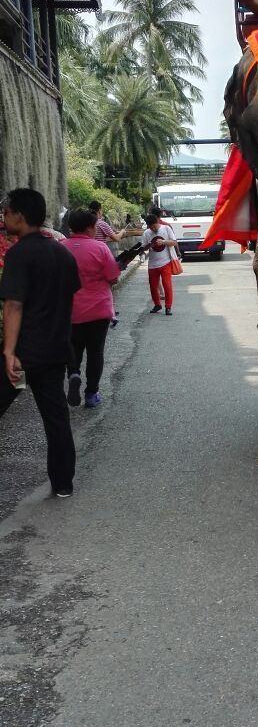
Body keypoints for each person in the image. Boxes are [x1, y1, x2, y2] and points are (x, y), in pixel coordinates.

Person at [0, 188, 80, 498]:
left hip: (24, 353)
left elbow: (14, 305)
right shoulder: (62, 252)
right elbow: (68, 296)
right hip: (56, 349)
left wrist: (8, 351)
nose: (4, 218)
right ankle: (63, 483)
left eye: (6, 213)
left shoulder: (20, 253)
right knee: (56, 418)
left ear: (19, 215)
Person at [64, 207, 121, 408]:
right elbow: (113, 277)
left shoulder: (61, 247)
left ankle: (73, 373)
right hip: (98, 310)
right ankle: (91, 394)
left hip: (69, 311)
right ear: (90, 227)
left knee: (73, 350)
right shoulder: (100, 248)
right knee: (95, 353)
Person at [141, 214, 179, 315]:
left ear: (158, 222)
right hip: (152, 264)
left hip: (166, 262)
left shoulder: (166, 228)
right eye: (151, 227)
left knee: (167, 285)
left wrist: (163, 242)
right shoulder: (146, 233)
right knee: (153, 286)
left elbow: (174, 242)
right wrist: (148, 245)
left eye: (154, 226)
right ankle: (157, 304)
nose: (153, 229)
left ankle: (168, 307)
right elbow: (143, 248)